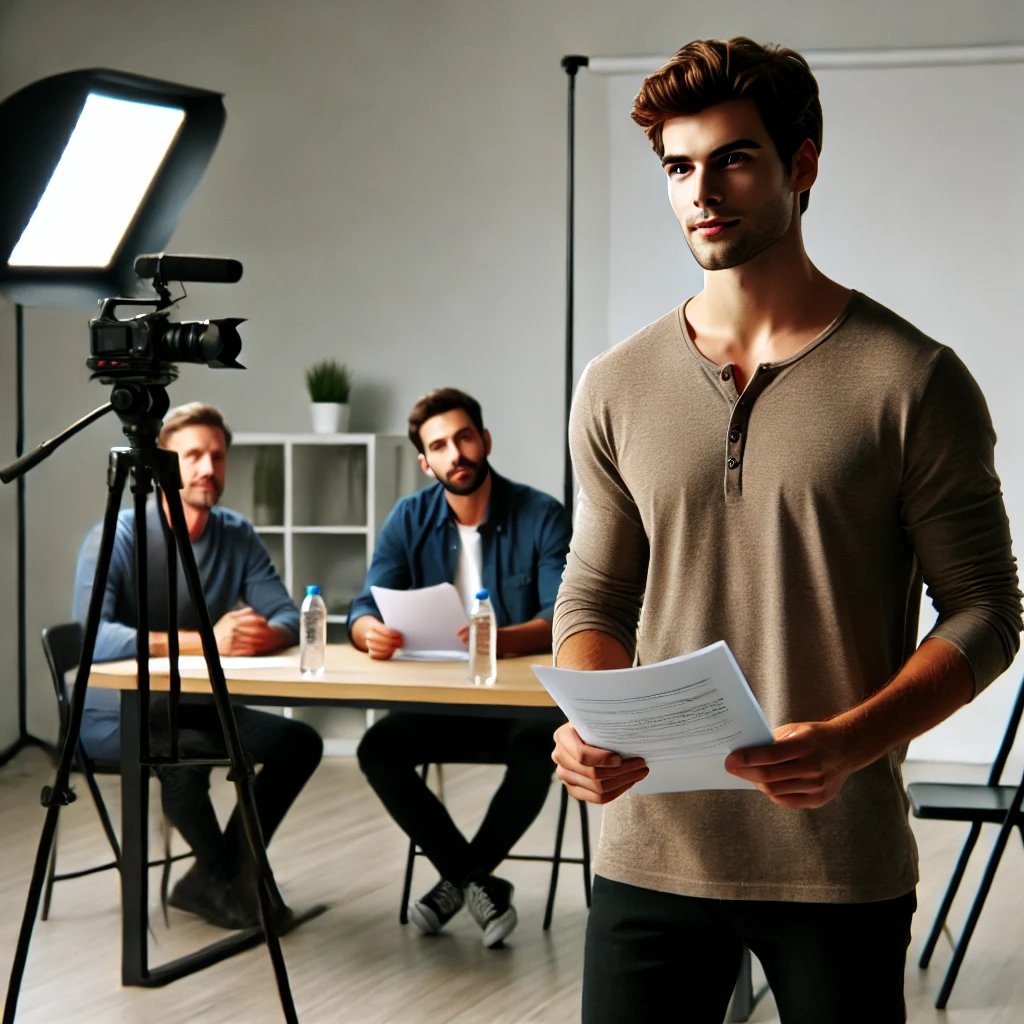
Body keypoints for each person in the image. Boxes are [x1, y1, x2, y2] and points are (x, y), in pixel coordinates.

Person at [550, 37, 1022, 1024]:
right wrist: (593, 724)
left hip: (836, 863)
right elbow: (596, 593)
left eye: (733, 159)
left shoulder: (913, 380)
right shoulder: (614, 384)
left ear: (801, 165)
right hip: (649, 854)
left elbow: (984, 611)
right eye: (678, 166)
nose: (701, 191)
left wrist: (852, 741)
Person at [74, 402, 323, 930]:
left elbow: (284, 613)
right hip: (117, 714)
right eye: (193, 456)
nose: (208, 468)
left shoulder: (236, 534)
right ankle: (228, 880)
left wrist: (265, 634)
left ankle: (219, 876)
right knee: (180, 756)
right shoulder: (118, 534)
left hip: (193, 706)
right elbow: (92, 637)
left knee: (299, 743)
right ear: (162, 464)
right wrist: (204, 641)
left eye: (218, 456)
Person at [351, 388, 571, 947]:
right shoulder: (408, 517)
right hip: (441, 701)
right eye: (440, 446)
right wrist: (367, 631)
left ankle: (455, 881)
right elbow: (364, 604)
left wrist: (498, 640)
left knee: (541, 744)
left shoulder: (541, 514)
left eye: (464, 437)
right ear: (426, 462)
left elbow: (563, 615)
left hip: (518, 705)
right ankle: (474, 880)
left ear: (485, 440)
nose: (456, 454)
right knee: (378, 748)